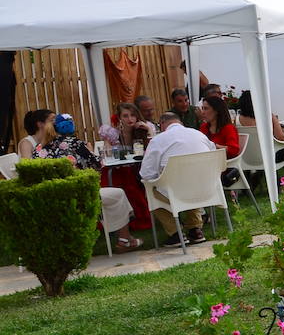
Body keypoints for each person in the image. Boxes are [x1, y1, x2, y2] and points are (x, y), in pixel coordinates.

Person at [28, 110, 143, 252]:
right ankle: (124, 240)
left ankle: (124, 238)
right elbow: (97, 165)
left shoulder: (38, 148)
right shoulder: (75, 143)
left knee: (113, 196)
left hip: (49, 197)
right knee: (118, 194)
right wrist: (90, 150)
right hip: (77, 195)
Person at [141, 112, 216, 246]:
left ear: (162, 124)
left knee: (150, 191)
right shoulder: (199, 134)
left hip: (176, 192)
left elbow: (146, 173)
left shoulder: (158, 140)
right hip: (206, 188)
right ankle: (195, 229)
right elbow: (213, 154)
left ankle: (175, 233)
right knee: (192, 179)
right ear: (180, 122)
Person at [237, 89, 284, 185]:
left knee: (263, 155)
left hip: (247, 158)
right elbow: (280, 137)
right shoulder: (268, 116)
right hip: (269, 157)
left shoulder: (237, 120)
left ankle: (257, 177)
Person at [198, 94, 241, 159]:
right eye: (202, 108)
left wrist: (214, 146)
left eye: (206, 108)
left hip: (225, 162)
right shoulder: (204, 127)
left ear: (216, 111)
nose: (202, 112)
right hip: (208, 160)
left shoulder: (228, 128)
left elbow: (234, 150)